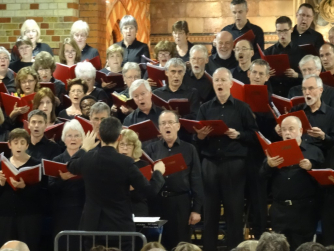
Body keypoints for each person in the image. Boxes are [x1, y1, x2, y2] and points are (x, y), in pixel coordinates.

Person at [67, 116, 165, 251]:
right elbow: (150, 191)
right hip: (119, 227)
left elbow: (71, 165)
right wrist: (158, 173)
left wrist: (84, 148)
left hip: (92, 227)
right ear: (119, 138)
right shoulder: (126, 163)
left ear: (99, 135)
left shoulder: (88, 158)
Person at [195, 67, 258, 250]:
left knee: (234, 213)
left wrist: (239, 135)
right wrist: (199, 136)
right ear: (213, 84)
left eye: (223, 80)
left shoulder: (242, 107)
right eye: (216, 80)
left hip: (234, 166)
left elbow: (254, 135)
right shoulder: (205, 108)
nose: (220, 83)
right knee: (210, 214)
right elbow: (196, 140)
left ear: (231, 83)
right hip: (210, 165)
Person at [262, 115, 324, 250]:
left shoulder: (313, 151)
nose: (287, 133)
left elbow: (324, 182)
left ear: (301, 131)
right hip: (280, 211)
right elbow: (261, 178)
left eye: (291, 129)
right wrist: (269, 165)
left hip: (303, 212)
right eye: (284, 130)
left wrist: (311, 168)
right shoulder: (273, 151)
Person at [145, 111, 204, 250]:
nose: (167, 126)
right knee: (156, 244)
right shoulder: (151, 149)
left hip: (180, 204)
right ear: (159, 128)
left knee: (180, 244)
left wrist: (196, 210)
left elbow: (196, 180)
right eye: (163, 123)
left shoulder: (189, 149)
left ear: (178, 126)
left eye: (171, 122)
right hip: (157, 203)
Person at [0, 128, 42, 251]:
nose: (19, 146)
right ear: (9, 145)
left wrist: (24, 188)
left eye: (22, 142)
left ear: (27, 145)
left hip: (29, 216)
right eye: (16, 142)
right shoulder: (2, 164)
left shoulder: (36, 164)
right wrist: (1, 183)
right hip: (5, 216)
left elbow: (41, 194)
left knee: (28, 246)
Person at [49, 119, 86, 251]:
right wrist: (62, 179)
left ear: (82, 139)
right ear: (64, 139)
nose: (73, 139)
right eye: (69, 135)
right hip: (62, 210)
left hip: (83, 210)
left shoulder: (87, 159)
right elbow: (51, 187)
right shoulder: (57, 160)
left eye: (77, 135)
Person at [264, 16, 304, 97]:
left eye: (285, 30)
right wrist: (267, 74)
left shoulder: (301, 52)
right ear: (276, 31)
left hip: (294, 93)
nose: (282, 34)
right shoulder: (268, 52)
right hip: (273, 93)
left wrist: (297, 75)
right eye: (279, 31)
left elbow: (309, 75)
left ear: (291, 29)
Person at [117, 129, 150, 216]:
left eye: (129, 145)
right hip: (118, 210)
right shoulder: (113, 165)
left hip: (138, 209)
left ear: (135, 147)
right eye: (122, 144)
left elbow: (144, 193)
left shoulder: (144, 165)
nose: (125, 148)